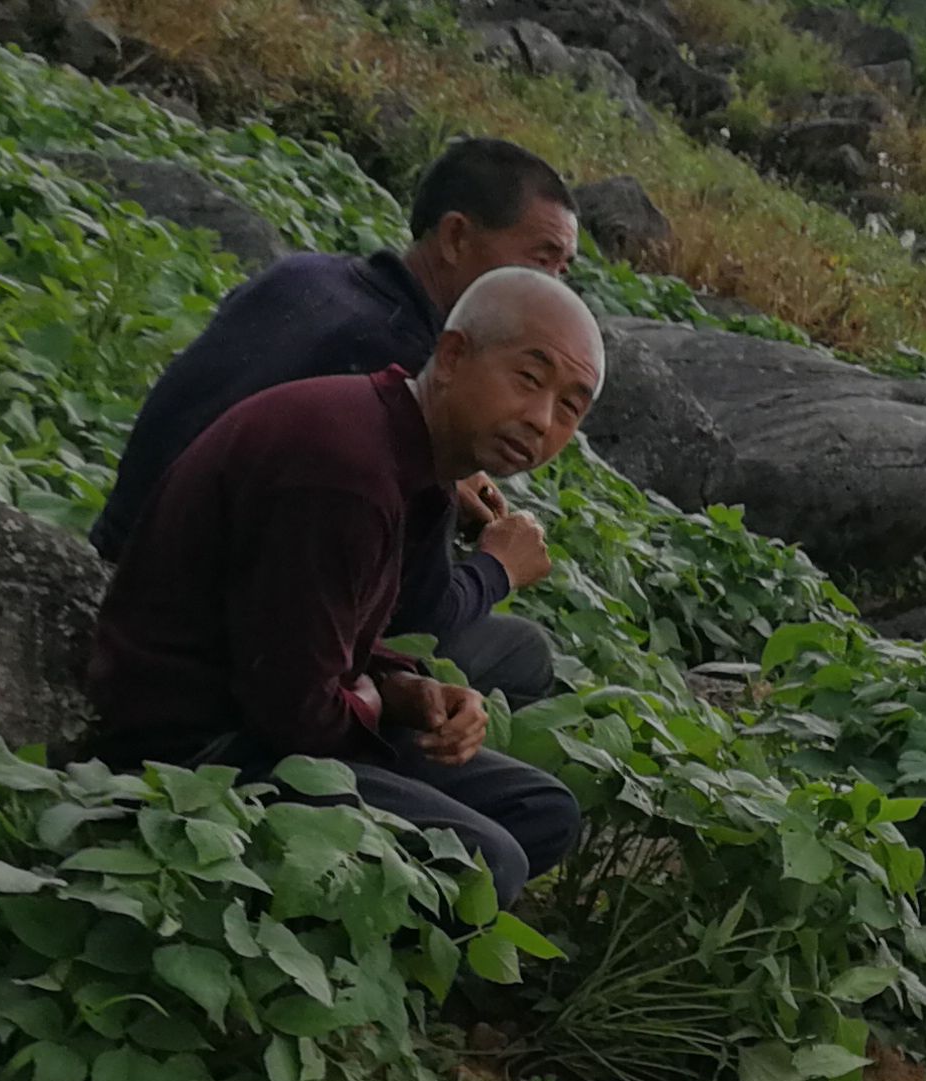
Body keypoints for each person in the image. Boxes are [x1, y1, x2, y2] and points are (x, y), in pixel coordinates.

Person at [85, 267, 605, 909]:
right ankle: (304, 959)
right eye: (529, 378)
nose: (540, 419)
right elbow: (293, 711)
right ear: (451, 356)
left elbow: (340, 631)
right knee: (487, 864)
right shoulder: (342, 471)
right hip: (198, 746)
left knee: (542, 810)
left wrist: (410, 688)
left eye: (570, 407)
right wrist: (385, 702)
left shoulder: (419, 458)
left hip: (276, 710)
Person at [90, 137, 579, 706]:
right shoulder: (407, 366)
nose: (554, 292)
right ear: (456, 238)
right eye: (541, 261)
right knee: (522, 653)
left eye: (563, 271)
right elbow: (415, 611)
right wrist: (499, 566)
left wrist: (443, 478)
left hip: (124, 551)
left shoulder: (307, 275)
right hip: (199, 645)